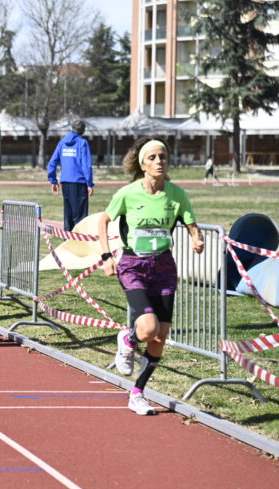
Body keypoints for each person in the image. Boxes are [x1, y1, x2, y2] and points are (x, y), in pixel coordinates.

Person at [97, 137, 204, 416]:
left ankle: (137, 393)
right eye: (153, 158)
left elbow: (190, 221)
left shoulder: (176, 194)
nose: (159, 162)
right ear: (143, 164)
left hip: (164, 267)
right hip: (134, 265)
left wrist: (197, 238)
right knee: (147, 329)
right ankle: (129, 340)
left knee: (160, 337)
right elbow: (103, 220)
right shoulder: (128, 193)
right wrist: (107, 257)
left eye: (163, 157)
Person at [47, 119, 94, 231]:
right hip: (79, 183)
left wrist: (53, 180)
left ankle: (67, 242)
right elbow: (86, 165)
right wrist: (89, 183)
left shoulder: (62, 143)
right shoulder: (82, 143)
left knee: (68, 216)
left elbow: (52, 163)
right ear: (83, 131)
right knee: (80, 217)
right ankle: (78, 244)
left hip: (66, 183)